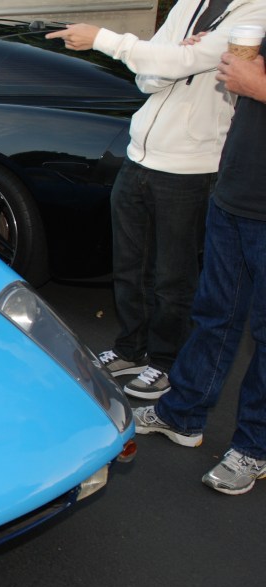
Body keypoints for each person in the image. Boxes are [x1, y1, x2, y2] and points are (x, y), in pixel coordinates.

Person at [47, 1, 266, 401]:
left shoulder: (255, 13)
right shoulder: (189, 2)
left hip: (194, 165)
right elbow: (147, 78)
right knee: (130, 267)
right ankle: (132, 349)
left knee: (174, 277)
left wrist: (106, 39)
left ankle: (165, 362)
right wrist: (171, 58)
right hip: (139, 155)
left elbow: (179, 61)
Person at [132, 44, 266, 495]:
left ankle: (254, 447)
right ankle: (181, 414)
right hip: (234, 194)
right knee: (215, 316)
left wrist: (259, 86)